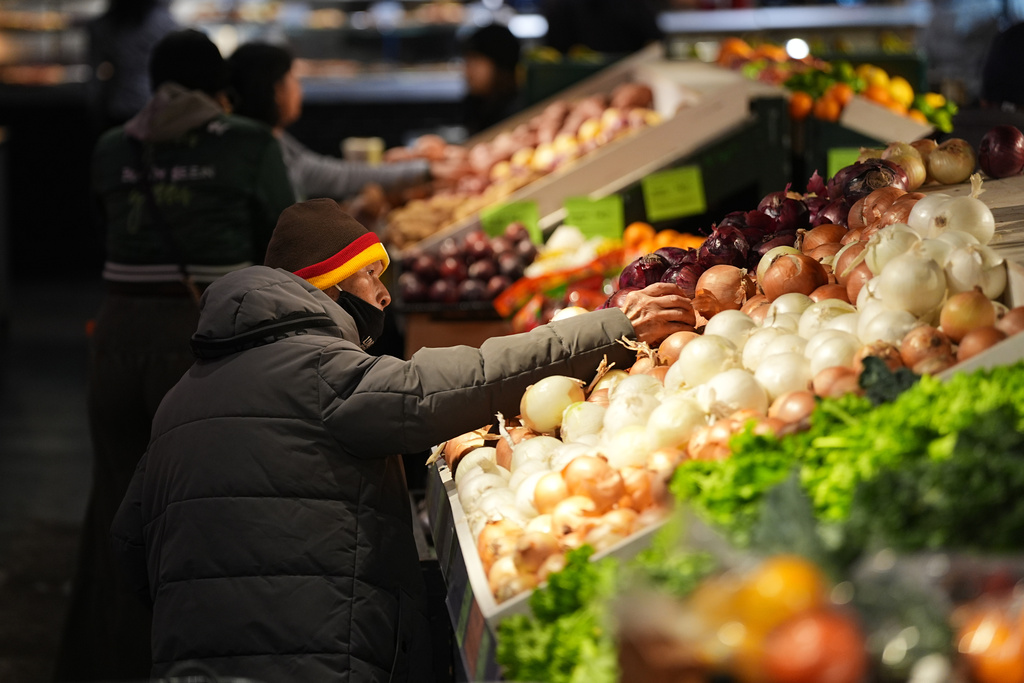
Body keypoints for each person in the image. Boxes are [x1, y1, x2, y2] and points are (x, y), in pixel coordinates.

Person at [110, 197, 694, 682]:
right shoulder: (318, 373)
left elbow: (129, 549)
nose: (384, 295)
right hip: (317, 659)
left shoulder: (180, 399)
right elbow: (450, 385)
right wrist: (612, 329)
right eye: (369, 276)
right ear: (329, 286)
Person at [54, 29, 295, 682]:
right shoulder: (247, 142)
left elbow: (107, 221)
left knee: (115, 506)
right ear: (222, 89)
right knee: (200, 515)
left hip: (114, 338)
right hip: (198, 343)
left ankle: (109, 663)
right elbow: (286, 237)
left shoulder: (112, 146)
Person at [228, 41, 459, 202]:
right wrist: (426, 171)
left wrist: (423, 170)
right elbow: (335, 177)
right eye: (294, 81)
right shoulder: (264, 154)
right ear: (278, 91)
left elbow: (329, 172)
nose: (301, 90)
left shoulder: (266, 140)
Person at [85, 0, 179, 132]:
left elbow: (94, 80)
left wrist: (94, 107)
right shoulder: (164, 23)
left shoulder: (103, 25)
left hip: (117, 106)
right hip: (153, 104)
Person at [461, 23, 527, 134]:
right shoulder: (474, 104)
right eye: (467, 62)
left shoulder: (520, 113)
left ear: (501, 67)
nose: (467, 72)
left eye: (475, 61)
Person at [539, 0, 664, 58]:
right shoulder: (561, 6)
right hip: (573, 82)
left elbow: (655, 40)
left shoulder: (633, 4)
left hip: (627, 74)